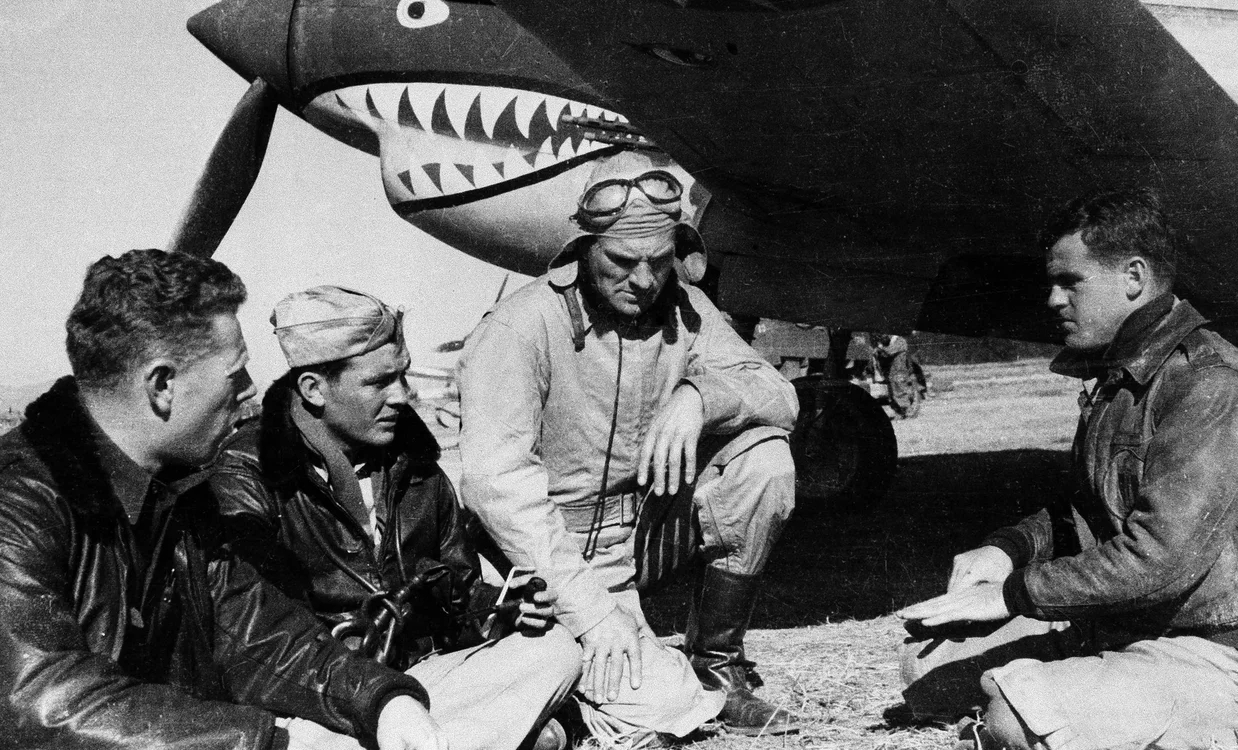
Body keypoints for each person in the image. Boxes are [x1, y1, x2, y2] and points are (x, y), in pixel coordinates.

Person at [0, 249, 437, 750]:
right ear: (163, 385)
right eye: (236, 374)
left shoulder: (181, 495)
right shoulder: (18, 506)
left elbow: (255, 632)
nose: (252, 390)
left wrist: (380, 701)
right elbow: (38, 705)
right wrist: (262, 743)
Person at [457, 150, 800, 743]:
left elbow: (779, 397)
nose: (643, 280)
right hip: (545, 554)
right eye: (621, 260)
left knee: (765, 462)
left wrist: (698, 396)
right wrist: (592, 615)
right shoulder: (518, 328)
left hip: (640, 534)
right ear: (581, 250)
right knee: (664, 704)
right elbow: (498, 487)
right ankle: (567, 691)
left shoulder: (686, 308)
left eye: (660, 260)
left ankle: (717, 664)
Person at [898, 188, 1238, 750]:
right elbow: (1088, 508)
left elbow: (1159, 558)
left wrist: (1012, 595)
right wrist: (1006, 550)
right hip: (1126, 622)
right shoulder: (1122, 373)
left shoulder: (1208, 382)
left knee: (1013, 717)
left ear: (1134, 276)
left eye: (1070, 282)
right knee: (923, 668)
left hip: (1211, 644)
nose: (1053, 300)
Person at [209, 286, 580, 750]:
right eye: (379, 382)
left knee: (556, 648)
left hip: (416, 682)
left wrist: (502, 610)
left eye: (402, 376)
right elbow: (253, 632)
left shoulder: (415, 466)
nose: (403, 396)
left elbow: (457, 592)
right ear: (313, 390)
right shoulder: (250, 473)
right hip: (322, 698)